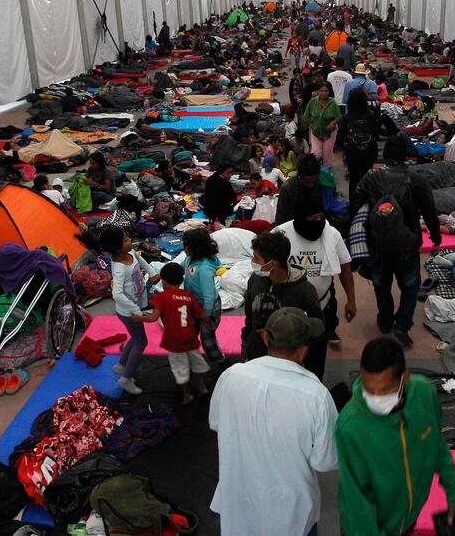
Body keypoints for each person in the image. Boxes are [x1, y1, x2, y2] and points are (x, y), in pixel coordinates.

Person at [210, 307, 337, 536]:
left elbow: (216, 423)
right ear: (302, 351)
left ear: (266, 338)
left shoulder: (231, 376)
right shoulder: (316, 395)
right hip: (291, 518)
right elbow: (325, 461)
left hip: (238, 508)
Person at [336, 337, 455, 536]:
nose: (375, 397)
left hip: (407, 521)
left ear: (405, 378)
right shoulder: (350, 426)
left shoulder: (424, 393)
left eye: (384, 389)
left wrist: (453, 488)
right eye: (369, 389)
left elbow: (436, 445)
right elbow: (357, 503)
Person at [350, 137, 441, 346]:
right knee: (410, 285)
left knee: (381, 283)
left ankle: (384, 320)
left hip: (378, 241)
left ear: (385, 155)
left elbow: (355, 203)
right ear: (406, 155)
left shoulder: (371, 177)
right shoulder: (417, 180)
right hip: (407, 242)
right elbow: (429, 212)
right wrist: (435, 235)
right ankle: (402, 324)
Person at [242, 231, 327, 380]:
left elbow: (318, 328)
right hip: (258, 355)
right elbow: (250, 315)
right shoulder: (255, 280)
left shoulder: (304, 291)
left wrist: (303, 360)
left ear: (272, 264)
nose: (253, 261)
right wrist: (246, 342)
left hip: (287, 363)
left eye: (256, 258)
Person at [276, 196, 356, 348]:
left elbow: (345, 266)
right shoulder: (281, 234)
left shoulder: (332, 235)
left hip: (322, 304)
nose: (318, 222)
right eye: (312, 218)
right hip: (287, 307)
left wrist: (351, 300)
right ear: (300, 218)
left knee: (317, 348)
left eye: (321, 217)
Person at [134, 263, 212, 404]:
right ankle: (202, 387)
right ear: (181, 281)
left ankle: (187, 394)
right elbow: (202, 315)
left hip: (174, 340)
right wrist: (210, 324)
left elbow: (153, 318)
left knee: (179, 368)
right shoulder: (188, 296)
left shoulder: (162, 297)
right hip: (190, 337)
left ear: (163, 282)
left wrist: (138, 317)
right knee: (196, 361)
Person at [102, 227, 160, 395]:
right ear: (117, 248)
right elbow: (117, 294)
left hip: (137, 303)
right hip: (128, 312)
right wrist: (135, 309)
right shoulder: (119, 268)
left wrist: (152, 272)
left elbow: (140, 261)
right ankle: (126, 379)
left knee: (135, 338)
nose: (130, 241)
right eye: (126, 240)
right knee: (141, 342)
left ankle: (121, 366)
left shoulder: (130, 253)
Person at [179, 228, 225, 366]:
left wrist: (206, 315)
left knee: (207, 340)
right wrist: (162, 274)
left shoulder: (204, 268)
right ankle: (194, 362)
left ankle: (222, 363)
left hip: (208, 308)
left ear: (196, 247)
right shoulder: (189, 259)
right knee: (191, 333)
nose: (184, 248)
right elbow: (178, 269)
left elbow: (209, 295)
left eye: (186, 245)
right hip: (194, 305)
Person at [274, 154, 324, 226]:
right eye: (307, 181)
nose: (311, 185)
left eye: (314, 181)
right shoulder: (287, 189)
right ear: (299, 175)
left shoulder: (322, 182)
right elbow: (281, 216)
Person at [303, 82, 342, 166]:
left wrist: (333, 122)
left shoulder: (332, 102)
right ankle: (316, 173)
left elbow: (338, 116)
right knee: (316, 155)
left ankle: (326, 174)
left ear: (329, 91)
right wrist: (312, 127)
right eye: (321, 90)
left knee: (327, 156)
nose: (324, 93)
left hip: (330, 133)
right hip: (315, 133)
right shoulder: (312, 101)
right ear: (317, 91)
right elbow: (306, 116)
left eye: (326, 91)